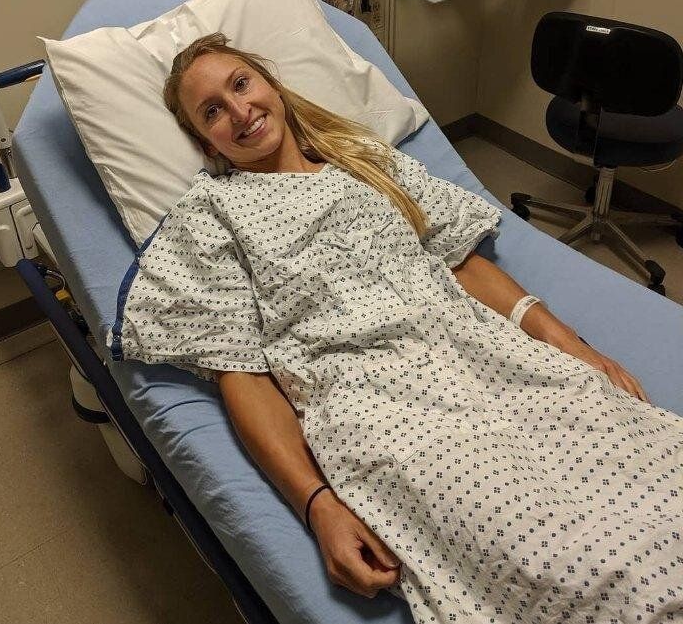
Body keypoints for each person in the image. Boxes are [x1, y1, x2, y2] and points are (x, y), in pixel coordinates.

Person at [110, 34, 683, 624]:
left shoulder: (360, 157)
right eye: (212, 112)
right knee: (562, 560)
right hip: (379, 407)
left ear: (268, 82)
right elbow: (242, 376)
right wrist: (319, 506)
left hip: (481, 351)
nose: (239, 112)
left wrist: (570, 346)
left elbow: (458, 258)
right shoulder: (212, 216)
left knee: (648, 469)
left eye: (240, 84)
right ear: (207, 142)